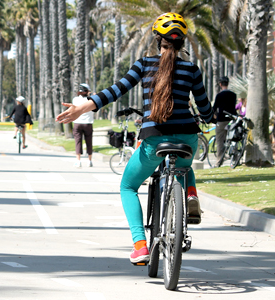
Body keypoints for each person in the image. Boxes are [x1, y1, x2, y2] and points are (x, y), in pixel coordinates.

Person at [56, 12, 213, 263]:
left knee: (128, 186)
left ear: (157, 40)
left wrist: (81, 107)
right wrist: (211, 116)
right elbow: (204, 108)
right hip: (187, 137)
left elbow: (114, 91)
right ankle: (191, 195)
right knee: (184, 166)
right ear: (182, 42)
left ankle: (140, 245)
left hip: (154, 140)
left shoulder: (144, 64)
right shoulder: (192, 69)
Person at [212, 76, 237, 167]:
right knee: (231, 139)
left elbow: (214, 108)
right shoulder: (233, 95)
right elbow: (234, 108)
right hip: (231, 120)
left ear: (220, 84)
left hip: (221, 120)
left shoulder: (219, 95)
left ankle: (218, 162)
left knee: (219, 141)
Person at [72, 83, 94, 167]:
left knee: (78, 141)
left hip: (77, 122)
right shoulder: (91, 100)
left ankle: (78, 160)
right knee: (89, 142)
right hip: (88, 123)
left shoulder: (75, 99)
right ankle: (89, 160)